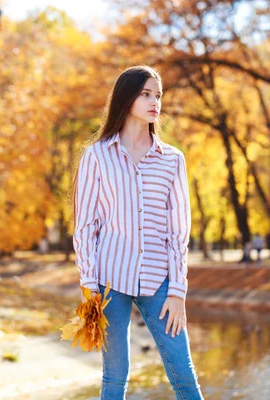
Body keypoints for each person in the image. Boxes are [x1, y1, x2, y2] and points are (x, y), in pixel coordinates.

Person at [71, 65, 204, 399]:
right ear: (126, 97)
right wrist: (90, 288)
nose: (154, 101)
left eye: (157, 95)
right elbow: (87, 227)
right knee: (115, 377)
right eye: (145, 93)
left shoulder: (173, 159)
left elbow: (178, 232)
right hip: (109, 281)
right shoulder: (97, 156)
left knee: (184, 374)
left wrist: (178, 291)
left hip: (160, 280)